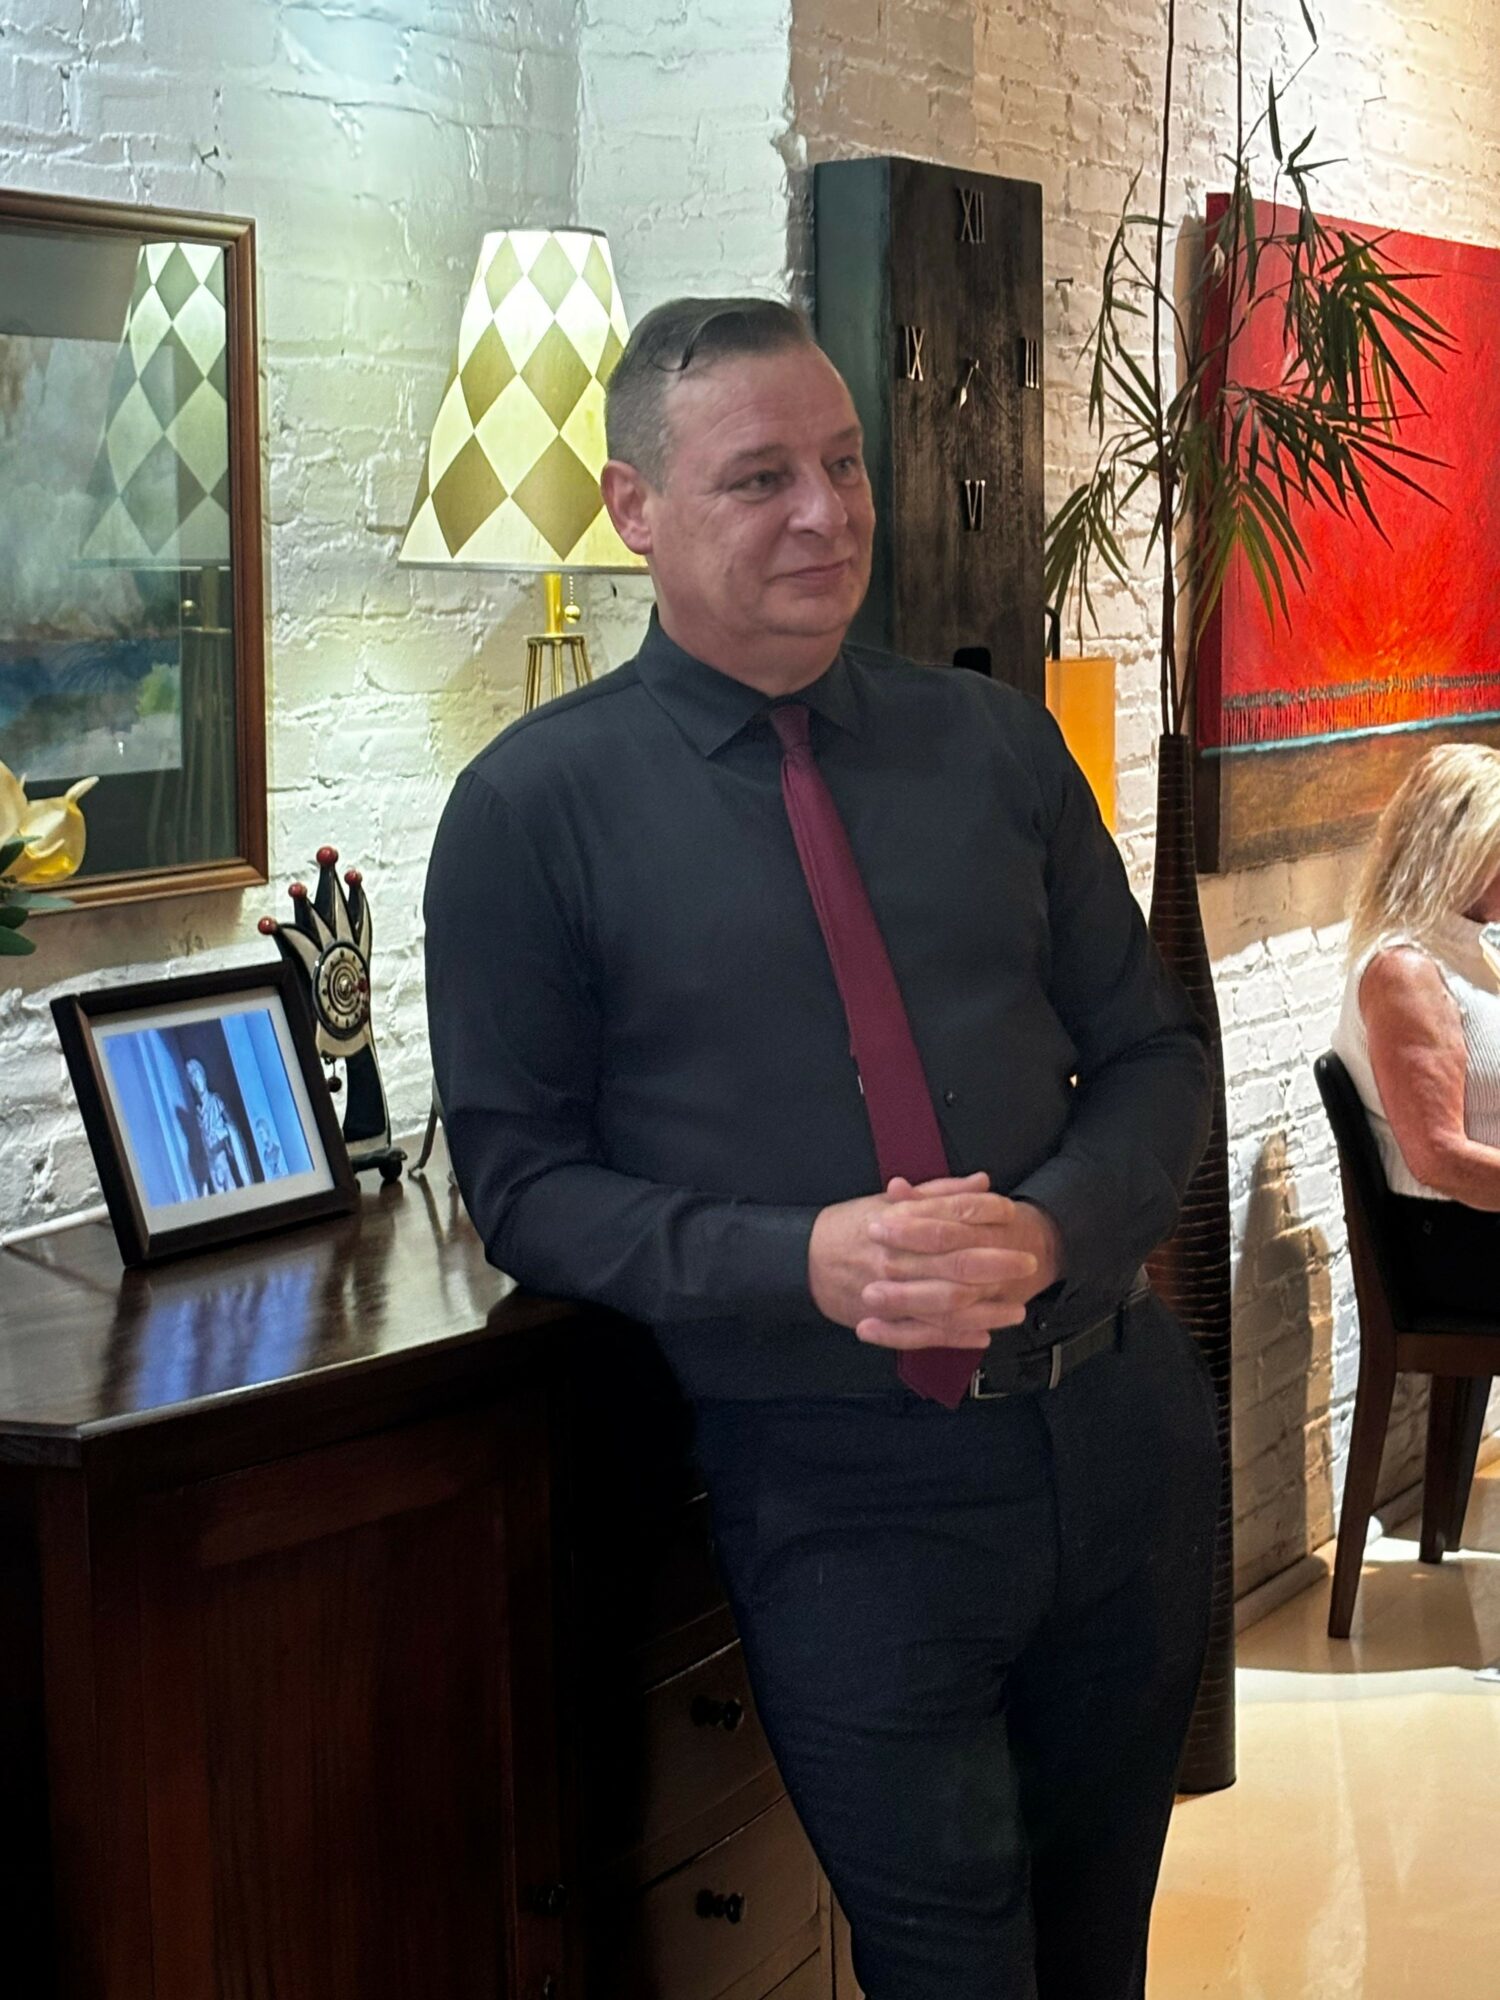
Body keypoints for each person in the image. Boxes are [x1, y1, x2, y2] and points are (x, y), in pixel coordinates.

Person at [424, 297, 1219, 2000]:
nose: (825, 513)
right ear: (635, 509)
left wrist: (1052, 1229)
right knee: (949, 1969)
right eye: (760, 478)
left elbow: (1155, 1058)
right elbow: (522, 1187)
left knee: (1098, 1957)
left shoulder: (996, 745)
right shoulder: (529, 813)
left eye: (844, 465)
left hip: (1119, 1446)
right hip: (843, 1487)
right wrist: (803, 1257)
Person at [1332, 740, 1500, 1315]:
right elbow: (1437, 1158)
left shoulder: (1471, 948)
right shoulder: (1403, 971)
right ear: (1461, 850)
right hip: (1452, 1240)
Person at [185, 1056, 250, 1194]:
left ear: (203, 1076)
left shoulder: (217, 1101)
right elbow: (200, 1148)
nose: (196, 1080)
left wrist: (224, 1131)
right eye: (192, 1077)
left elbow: (233, 1127)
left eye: (197, 1074)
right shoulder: (198, 1113)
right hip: (212, 1168)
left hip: (224, 1162)